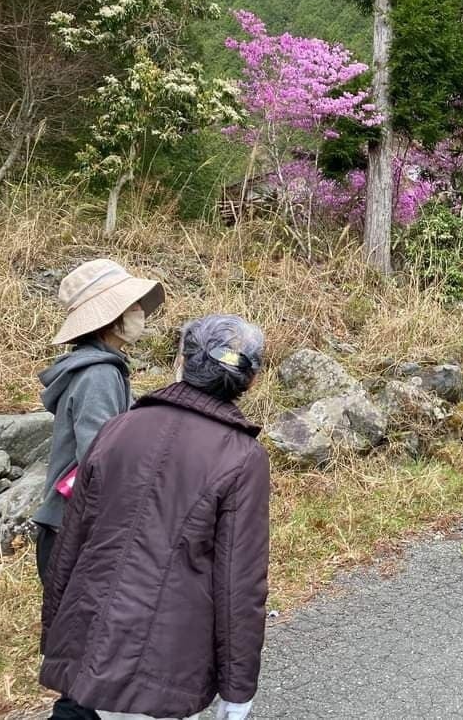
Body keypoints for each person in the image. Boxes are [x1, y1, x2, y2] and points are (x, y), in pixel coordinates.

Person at [40, 315, 270, 720]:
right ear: (250, 382)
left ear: (181, 362)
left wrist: (57, 638)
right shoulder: (242, 457)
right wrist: (238, 690)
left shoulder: (119, 428)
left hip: (88, 640)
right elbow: (239, 582)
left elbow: (72, 540)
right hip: (165, 663)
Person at [35, 259, 164, 720]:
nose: (140, 313)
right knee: (91, 655)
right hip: (79, 530)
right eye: (132, 306)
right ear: (111, 317)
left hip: (67, 525)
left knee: (88, 652)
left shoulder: (97, 369)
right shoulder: (99, 375)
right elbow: (102, 460)